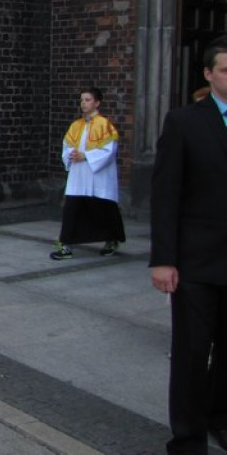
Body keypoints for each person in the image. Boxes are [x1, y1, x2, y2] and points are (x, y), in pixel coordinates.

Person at [150, 42, 227, 454]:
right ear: (208, 75)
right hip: (196, 261)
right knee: (192, 354)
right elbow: (166, 195)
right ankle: (188, 436)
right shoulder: (183, 122)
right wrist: (163, 259)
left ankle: (220, 417)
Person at [49, 87, 125, 260]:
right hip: (79, 175)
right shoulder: (76, 125)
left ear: (97, 103)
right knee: (72, 208)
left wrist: (86, 156)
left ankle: (111, 239)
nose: (83, 103)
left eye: (88, 100)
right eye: (82, 100)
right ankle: (66, 244)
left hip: (97, 176)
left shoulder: (104, 124)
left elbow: (109, 151)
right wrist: (71, 155)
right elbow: (67, 145)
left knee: (102, 208)